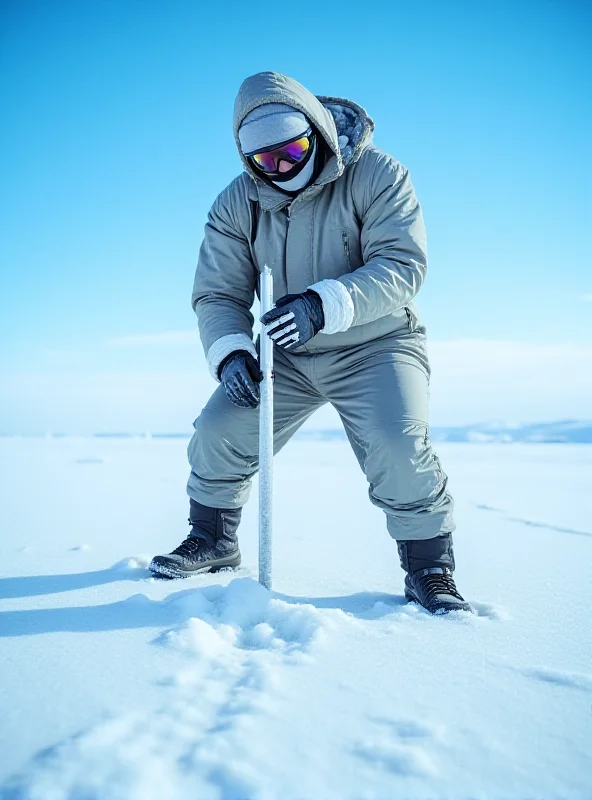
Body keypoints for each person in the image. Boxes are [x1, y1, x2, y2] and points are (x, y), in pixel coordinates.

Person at [149, 71, 472, 614]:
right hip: (286, 354)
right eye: (264, 162)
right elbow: (218, 292)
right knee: (217, 431)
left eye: (292, 151)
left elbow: (401, 266)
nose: (283, 169)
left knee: (397, 445)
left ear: (316, 133)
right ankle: (213, 539)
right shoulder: (237, 204)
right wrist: (230, 351)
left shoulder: (377, 174)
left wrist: (321, 305)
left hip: (376, 343)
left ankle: (429, 568)